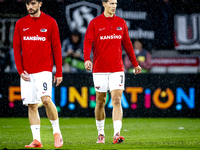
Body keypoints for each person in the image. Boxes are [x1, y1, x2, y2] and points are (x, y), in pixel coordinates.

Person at [84, 0, 141, 144]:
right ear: (104, 4)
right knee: (100, 102)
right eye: (111, 3)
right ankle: (101, 133)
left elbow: (127, 44)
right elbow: (88, 42)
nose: (114, 6)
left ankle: (117, 134)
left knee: (116, 99)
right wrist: (86, 59)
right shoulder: (95, 23)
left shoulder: (121, 22)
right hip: (99, 69)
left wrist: (135, 64)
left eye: (115, 3)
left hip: (117, 68)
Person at [13, 0, 63, 148]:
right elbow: (16, 48)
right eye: (27, 4)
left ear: (40, 3)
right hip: (27, 72)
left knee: (46, 100)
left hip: (44, 70)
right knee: (32, 105)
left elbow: (57, 47)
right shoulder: (20, 23)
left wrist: (58, 71)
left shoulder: (50, 22)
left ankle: (57, 132)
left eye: (33, 3)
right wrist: (20, 70)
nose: (30, 6)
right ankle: (36, 140)